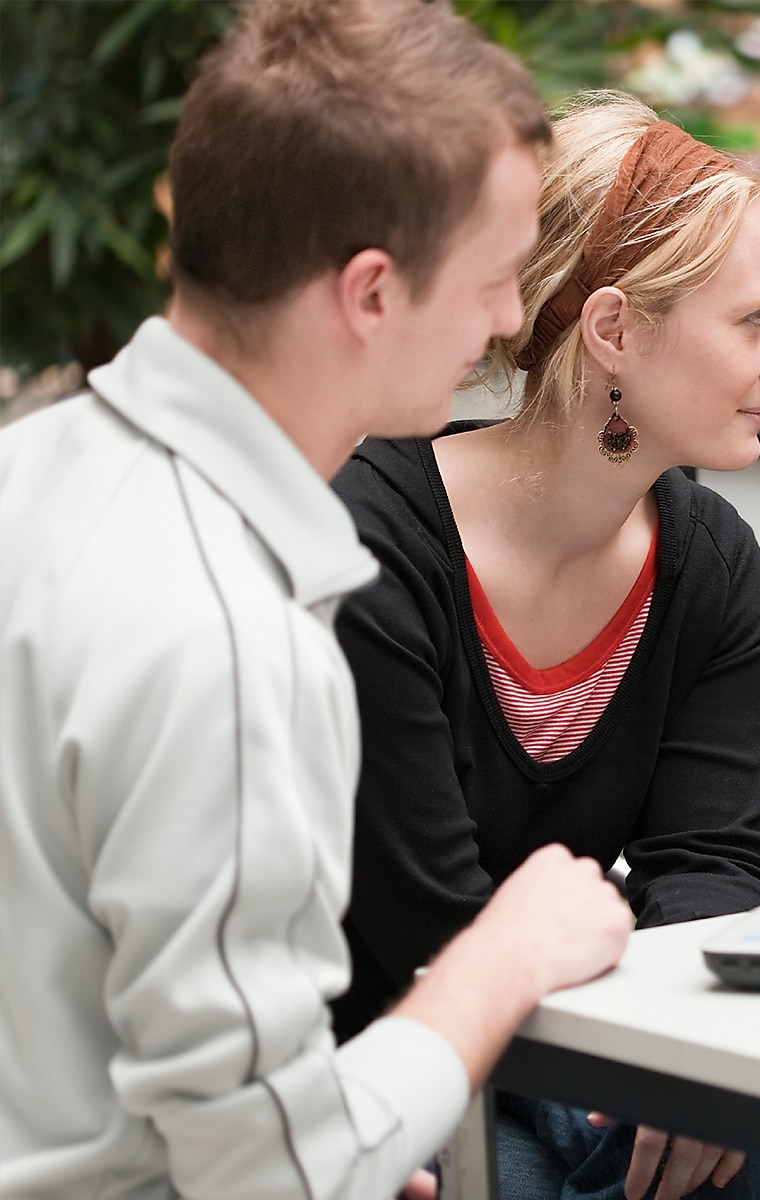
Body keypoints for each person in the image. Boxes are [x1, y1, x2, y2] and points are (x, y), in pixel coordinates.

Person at [0, 4, 632, 1199]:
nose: (509, 320)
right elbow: (264, 1174)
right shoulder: (230, 638)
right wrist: (503, 958)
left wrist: (349, 1124)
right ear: (371, 294)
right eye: (498, 278)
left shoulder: (29, 474)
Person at [329, 92, 760, 1200]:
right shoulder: (373, 548)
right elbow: (428, 927)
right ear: (614, 332)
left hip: (583, 1022)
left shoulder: (713, 568)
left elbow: (711, 865)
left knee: (745, 1155)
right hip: (389, 1054)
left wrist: (696, 1069)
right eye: (753, 320)